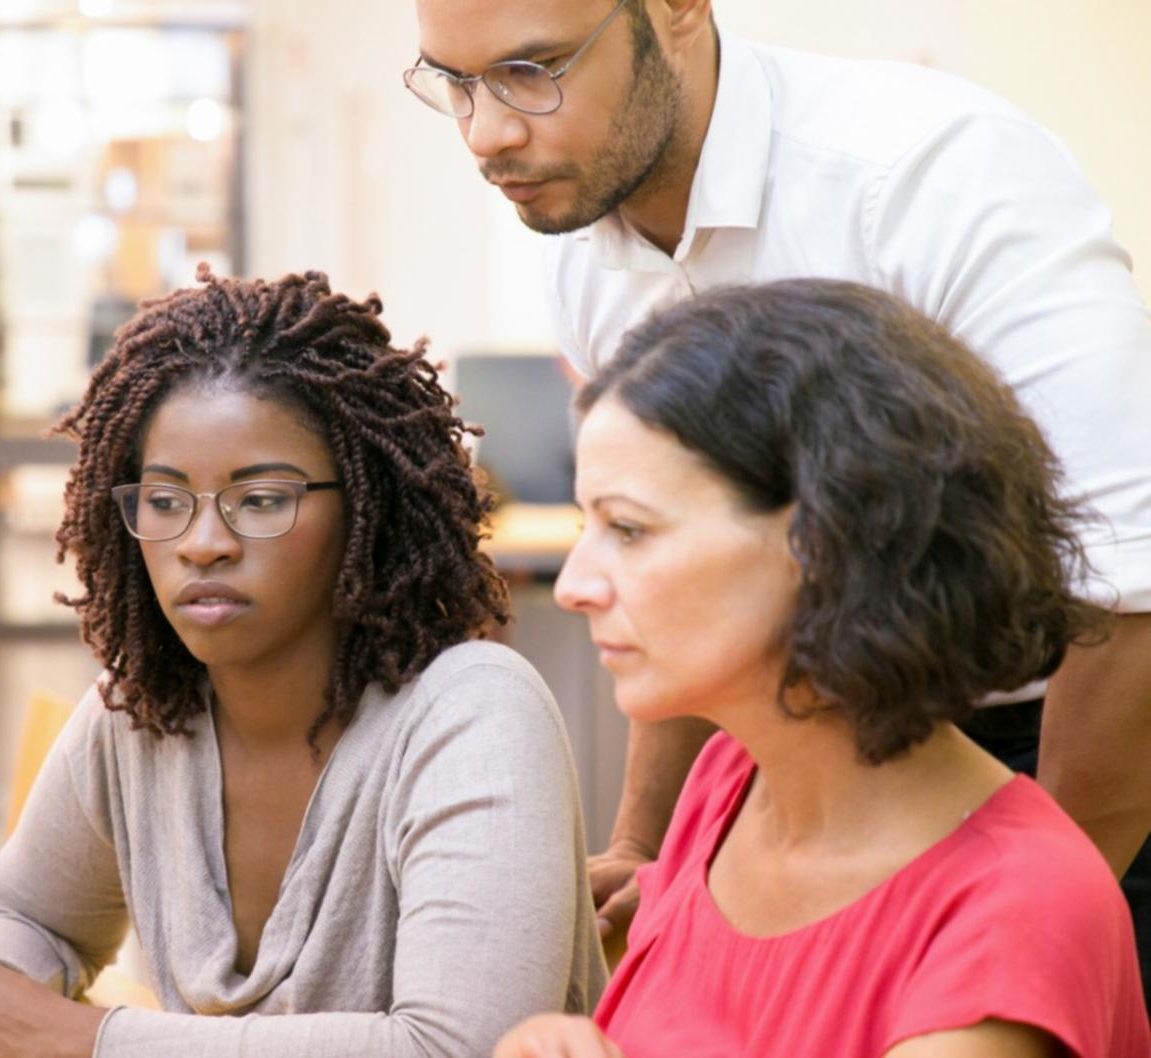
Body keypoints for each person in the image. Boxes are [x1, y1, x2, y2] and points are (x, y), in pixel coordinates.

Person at [404, 0, 1151, 991]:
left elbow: (1133, 589)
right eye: (453, 85)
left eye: (532, 70)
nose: (487, 133)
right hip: (799, 754)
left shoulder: (933, 173)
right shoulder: (576, 235)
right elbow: (672, 576)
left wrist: (1033, 913)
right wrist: (645, 846)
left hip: (1063, 748)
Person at [0, 267, 607, 1058]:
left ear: (366, 509)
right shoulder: (144, 712)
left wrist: (77, 1040)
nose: (201, 542)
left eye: (260, 500)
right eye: (164, 500)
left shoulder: (475, 716)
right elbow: (27, 915)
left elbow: (459, 1048)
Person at [494, 279, 1150, 1056]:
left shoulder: (1015, 908)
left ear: (826, 541)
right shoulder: (728, 784)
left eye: (629, 529)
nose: (573, 585)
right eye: (586, 525)